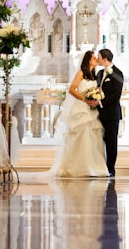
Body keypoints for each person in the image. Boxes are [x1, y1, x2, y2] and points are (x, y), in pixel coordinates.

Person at [48, 50, 109, 178]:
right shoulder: (81, 73)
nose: (96, 60)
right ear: (88, 60)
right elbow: (71, 89)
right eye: (94, 58)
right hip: (81, 108)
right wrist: (84, 99)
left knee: (93, 137)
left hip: (91, 109)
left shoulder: (94, 74)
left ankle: (94, 166)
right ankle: (78, 166)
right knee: (81, 134)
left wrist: (96, 95)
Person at [87, 48, 124, 177]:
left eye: (99, 57)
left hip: (111, 114)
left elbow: (116, 95)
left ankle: (110, 169)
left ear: (105, 59)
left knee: (111, 142)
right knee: (99, 141)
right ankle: (100, 166)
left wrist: (100, 102)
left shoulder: (117, 73)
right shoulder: (100, 73)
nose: (97, 59)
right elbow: (98, 89)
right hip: (99, 113)